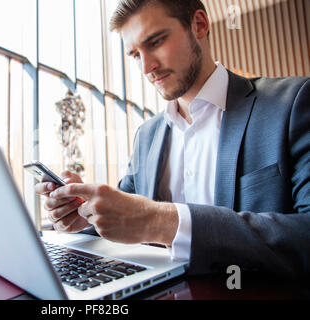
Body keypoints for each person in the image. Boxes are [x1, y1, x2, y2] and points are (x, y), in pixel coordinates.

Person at [35, 0, 310, 280]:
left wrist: (159, 221)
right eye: (134, 55)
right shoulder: (147, 136)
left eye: (155, 42)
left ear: (199, 25)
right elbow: (124, 214)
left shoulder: (292, 104)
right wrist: (84, 214)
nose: (146, 67)